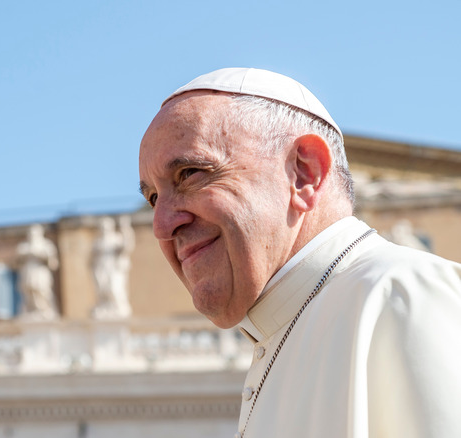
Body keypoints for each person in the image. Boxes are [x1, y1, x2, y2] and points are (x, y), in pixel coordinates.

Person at [138, 67, 461, 437]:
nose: (161, 226)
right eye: (152, 198)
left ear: (304, 173)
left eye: (190, 174)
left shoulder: (404, 294)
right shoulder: (279, 333)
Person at [91, 216, 135, 319]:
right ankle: (105, 308)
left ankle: (119, 309)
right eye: (102, 227)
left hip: (114, 269)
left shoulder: (116, 239)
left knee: (115, 289)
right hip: (101, 269)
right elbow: (91, 261)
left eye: (106, 227)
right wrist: (94, 273)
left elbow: (127, 247)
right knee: (103, 290)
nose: (104, 229)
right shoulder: (97, 243)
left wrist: (126, 228)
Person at [16, 224, 59, 320]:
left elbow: (54, 263)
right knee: (30, 292)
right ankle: (31, 311)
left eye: (35, 233)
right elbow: (16, 263)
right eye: (31, 233)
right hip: (28, 273)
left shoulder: (46, 246)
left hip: (40, 273)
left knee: (42, 292)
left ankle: (45, 311)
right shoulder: (23, 247)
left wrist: (40, 254)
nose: (32, 235)